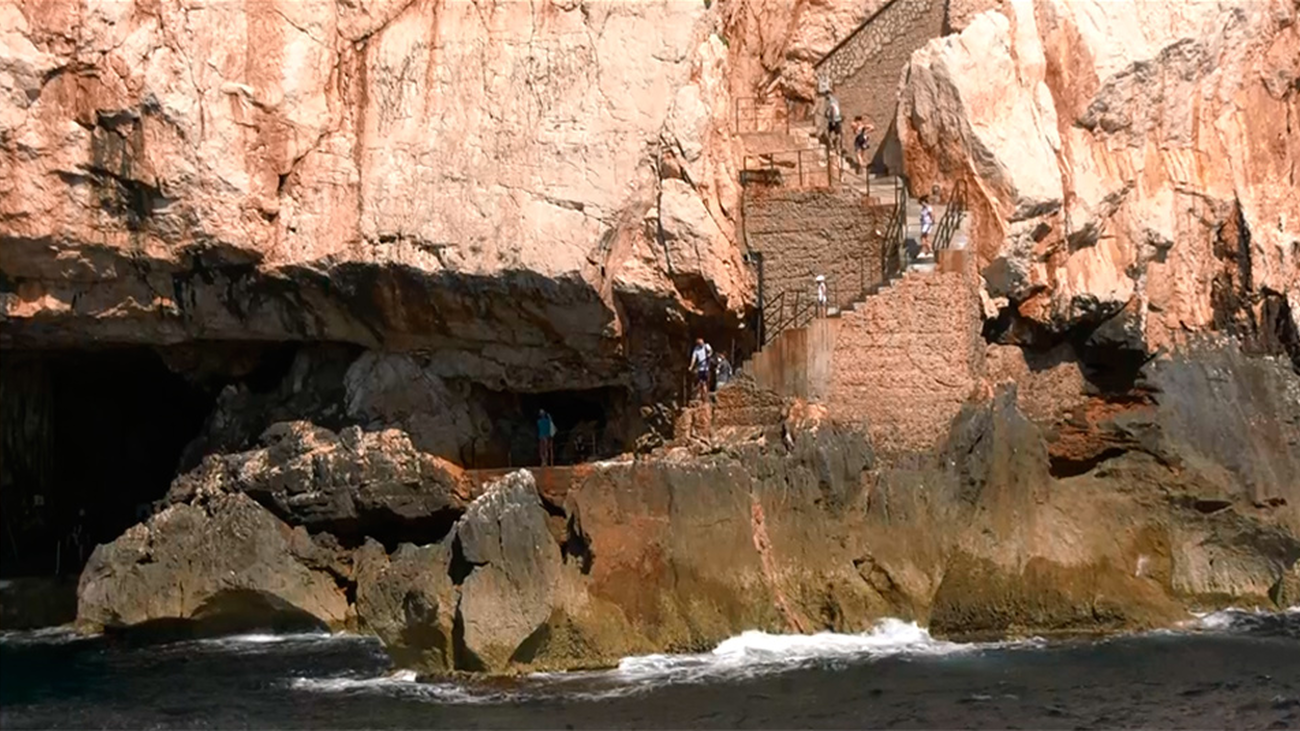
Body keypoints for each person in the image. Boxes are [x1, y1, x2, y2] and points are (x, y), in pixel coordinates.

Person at [688, 337, 712, 403]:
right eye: (700, 343)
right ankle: (700, 396)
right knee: (700, 382)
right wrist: (691, 366)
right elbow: (694, 358)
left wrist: (709, 354)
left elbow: (710, 351)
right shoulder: (696, 349)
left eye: (702, 343)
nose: (701, 344)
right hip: (700, 368)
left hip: (706, 368)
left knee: (705, 382)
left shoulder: (706, 346)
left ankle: (706, 397)